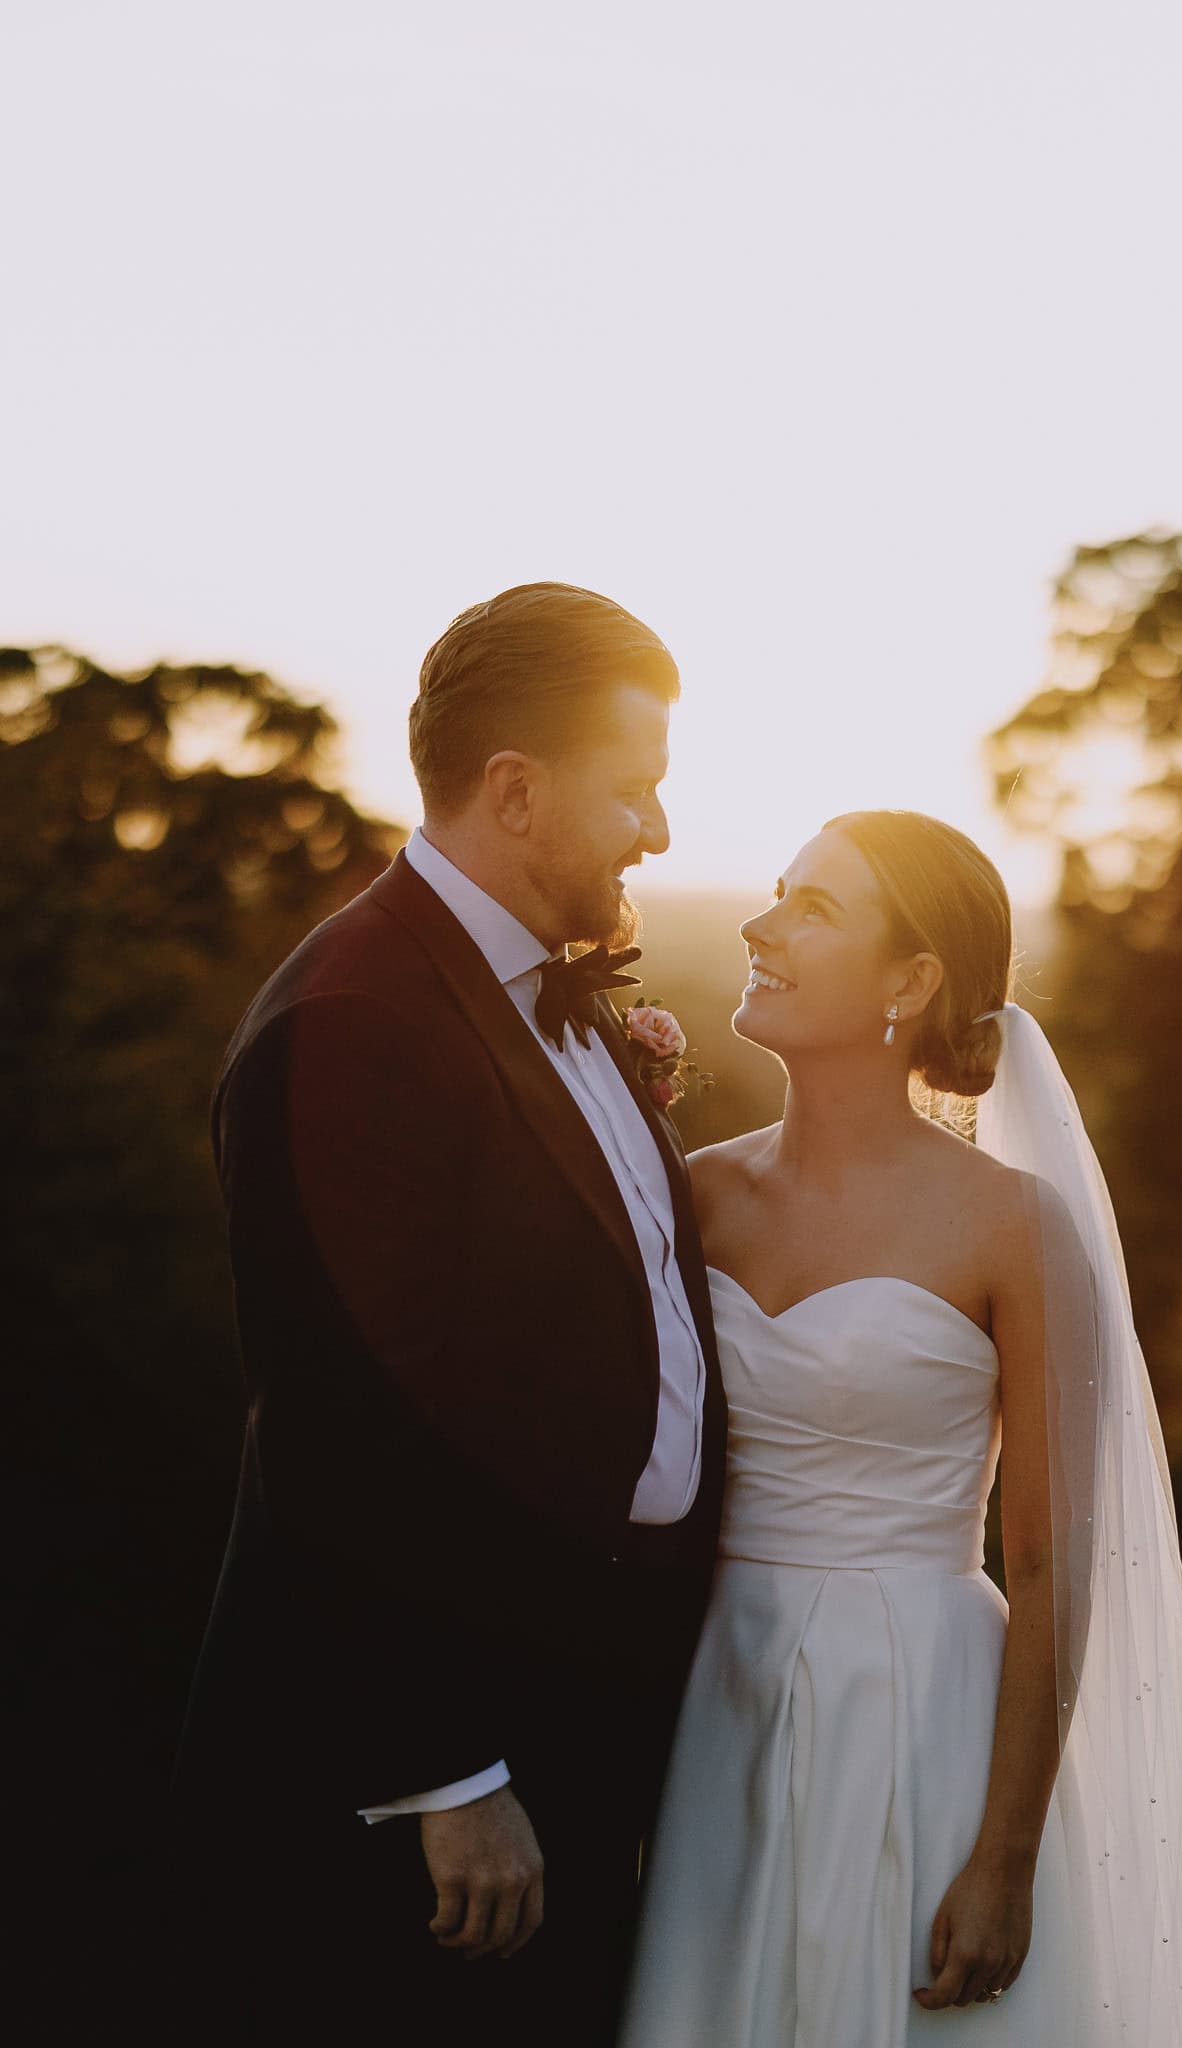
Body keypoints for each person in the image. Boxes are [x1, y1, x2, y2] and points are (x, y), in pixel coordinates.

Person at [170, 583, 728, 2042]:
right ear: (515, 790)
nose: (661, 831)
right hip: (443, 1779)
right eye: (635, 790)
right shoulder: (353, 1023)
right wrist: (447, 1774)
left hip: (586, 1713)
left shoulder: (548, 991)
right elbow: (343, 1430)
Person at [620, 809, 1182, 2046]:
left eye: (813, 908)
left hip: (920, 1706)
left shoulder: (1011, 1225)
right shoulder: (698, 1191)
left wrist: (1005, 1852)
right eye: (775, 892)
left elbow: (1052, 1561)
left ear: (909, 982)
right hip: (717, 1696)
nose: (760, 926)